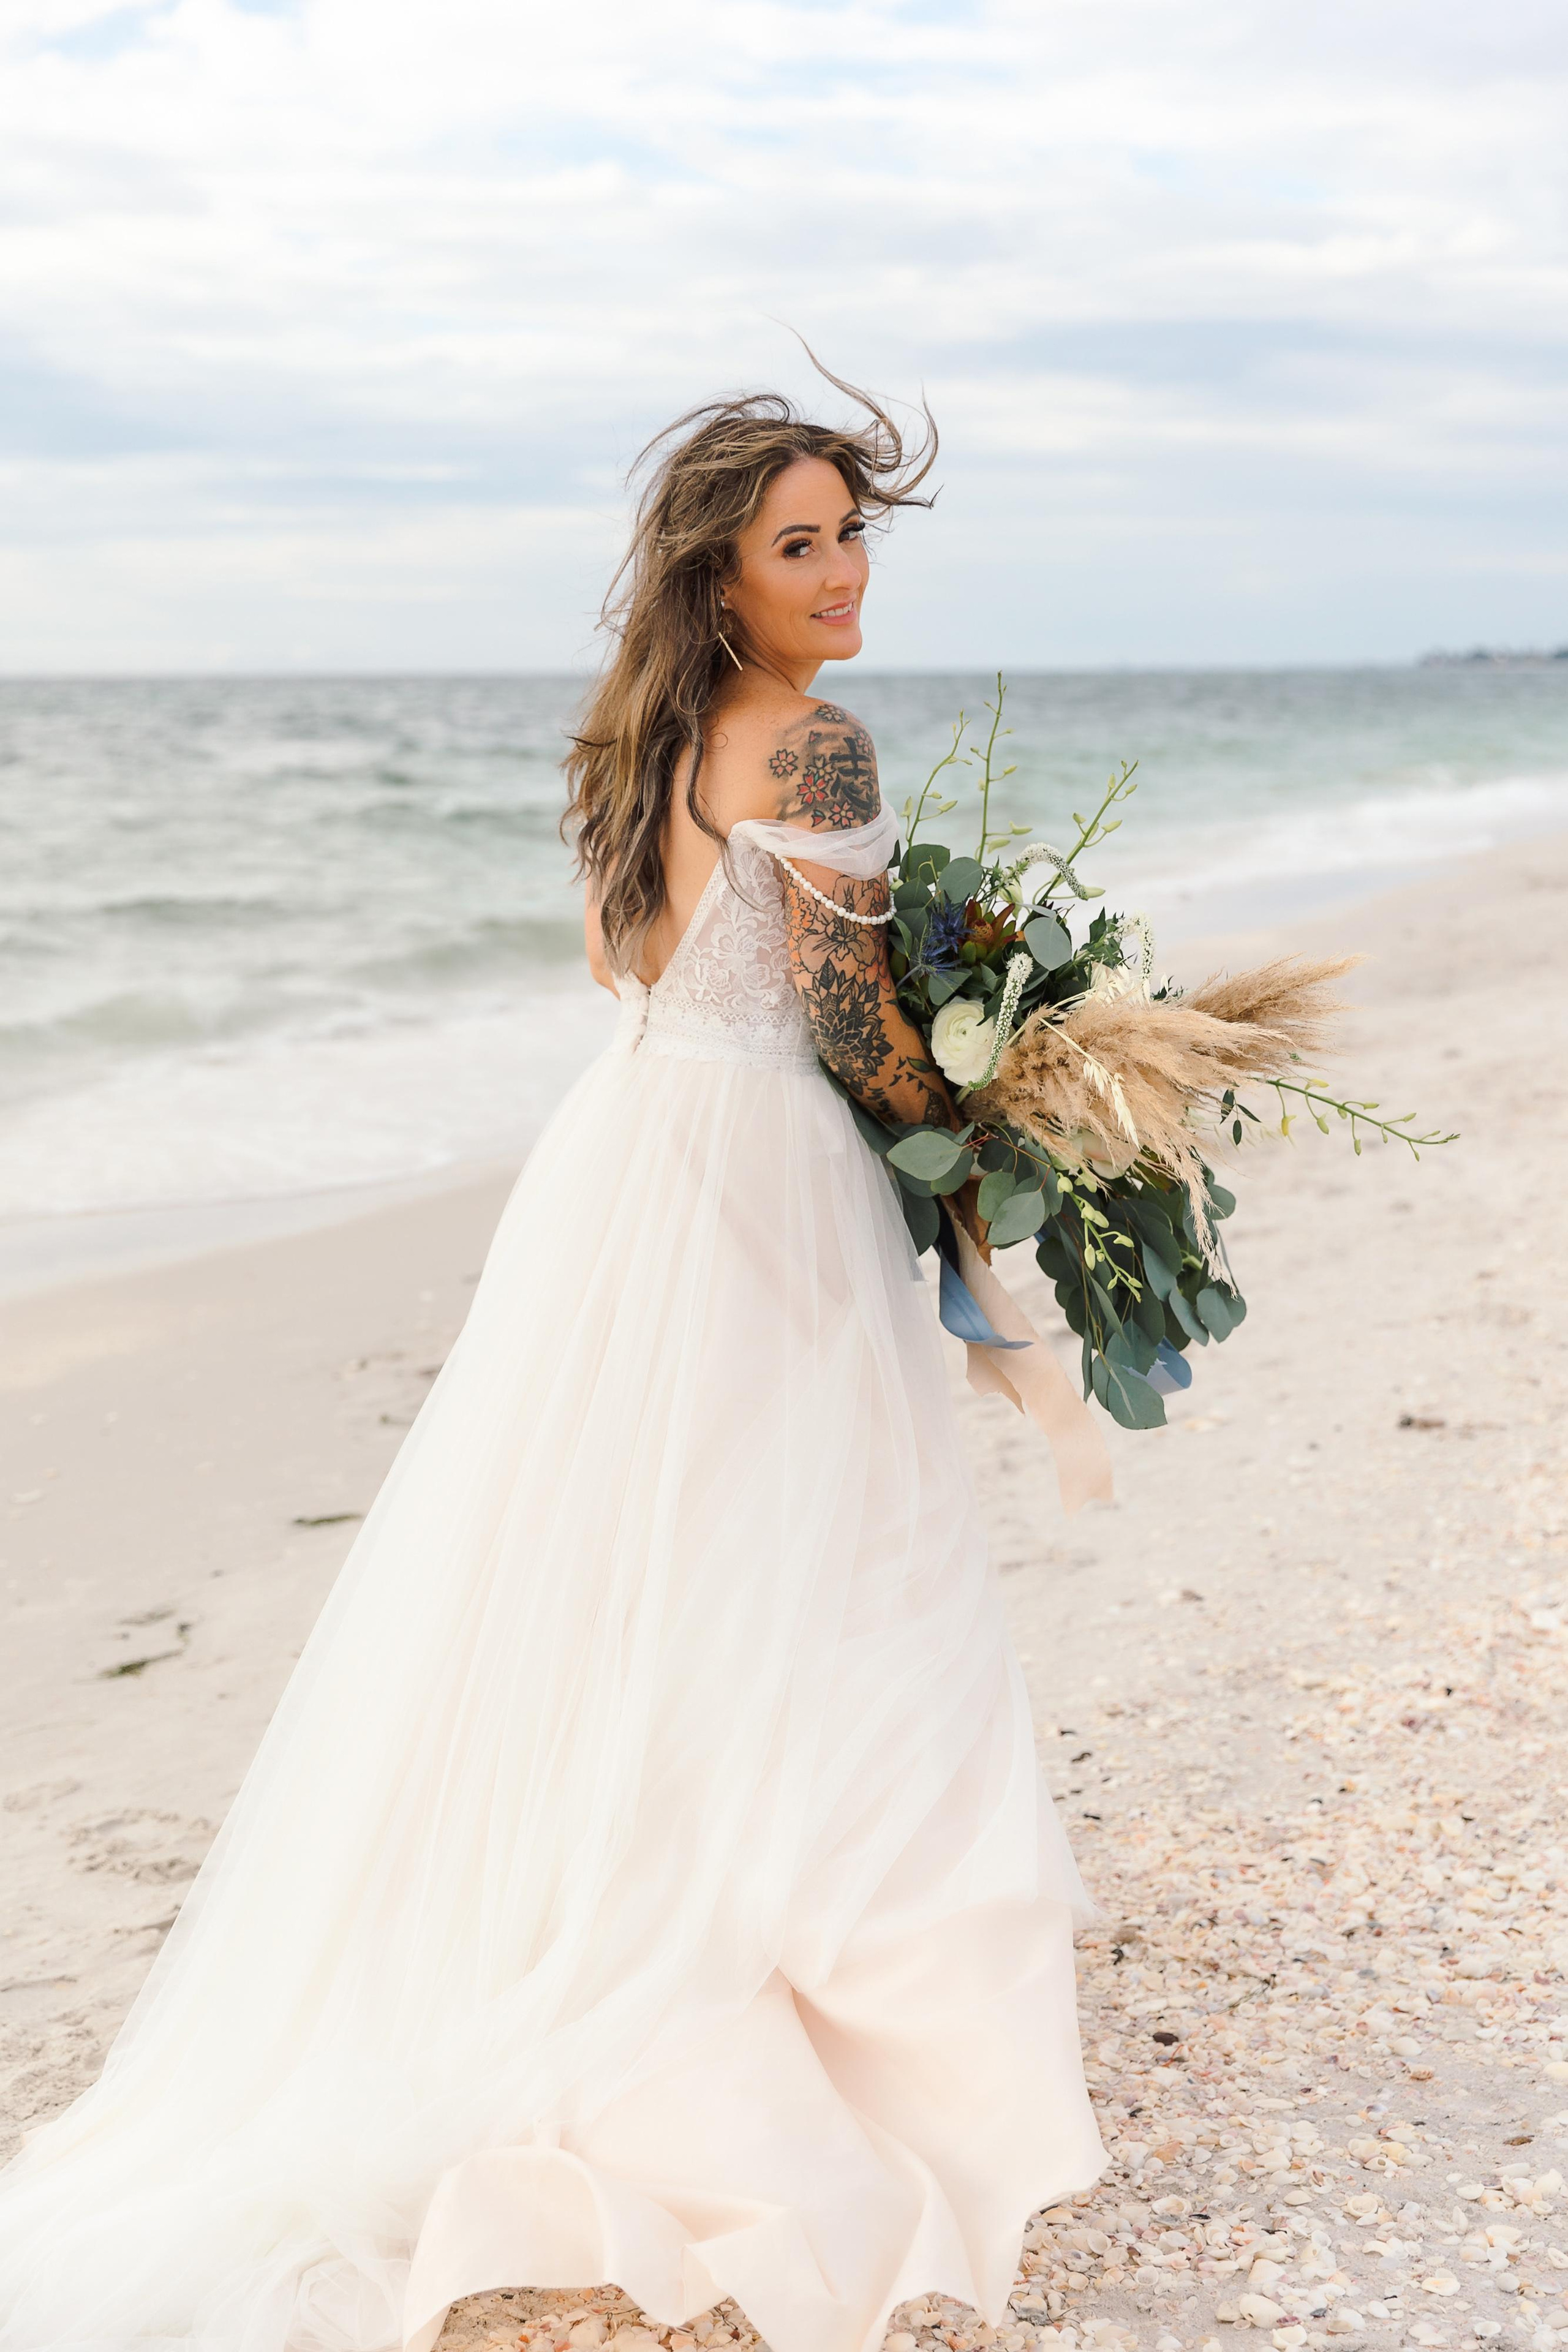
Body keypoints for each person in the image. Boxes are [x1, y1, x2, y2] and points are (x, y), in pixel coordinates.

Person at [0, 374, 1102, 2352]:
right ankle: (792, 1988)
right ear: (722, 571)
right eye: (801, 542)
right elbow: (864, 1049)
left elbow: (648, 971)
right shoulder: (822, 750)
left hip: (630, 1161)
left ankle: (650, 1917)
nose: (845, 572)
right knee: (814, 1577)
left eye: (856, 531)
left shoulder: (643, 740)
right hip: (766, 1180)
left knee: (628, 1579)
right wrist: (997, 1105)